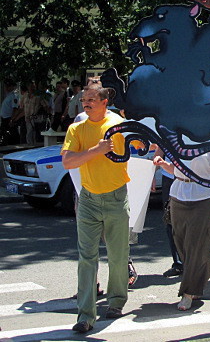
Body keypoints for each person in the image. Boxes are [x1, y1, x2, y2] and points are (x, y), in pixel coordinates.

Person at [62, 83, 131, 333]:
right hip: (88, 199)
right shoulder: (77, 128)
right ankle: (85, 315)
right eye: (83, 100)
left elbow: (141, 144)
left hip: (115, 197)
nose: (86, 103)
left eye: (91, 99)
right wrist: (97, 150)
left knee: (118, 255)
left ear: (104, 102)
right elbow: (68, 161)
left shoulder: (118, 125)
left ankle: (116, 302)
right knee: (87, 258)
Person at [153, 151, 210, 311]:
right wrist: (162, 164)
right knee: (181, 243)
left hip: (203, 198)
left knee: (196, 245)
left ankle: (188, 292)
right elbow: (176, 170)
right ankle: (199, 281)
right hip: (178, 195)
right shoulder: (178, 142)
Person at [152, 148, 183, 277]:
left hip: (190, 177)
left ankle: (193, 263)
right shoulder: (167, 129)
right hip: (169, 178)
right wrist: (152, 175)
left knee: (191, 221)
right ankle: (178, 263)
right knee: (170, 220)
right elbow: (159, 151)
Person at [21, 81, 49, 146]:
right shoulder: (25, 96)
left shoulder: (38, 96)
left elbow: (46, 106)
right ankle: (30, 145)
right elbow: (21, 107)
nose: (32, 88)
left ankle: (34, 146)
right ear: (28, 87)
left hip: (35, 118)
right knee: (29, 132)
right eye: (30, 86)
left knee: (34, 133)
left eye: (33, 86)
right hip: (27, 118)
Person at [0, 79, 20, 144]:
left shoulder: (13, 96)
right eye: (6, 86)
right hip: (4, 118)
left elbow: (15, 109)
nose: (6, 88)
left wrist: (12, 119)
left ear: (12, 87)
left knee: (12, 134)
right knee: (5, 133)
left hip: (9, 118)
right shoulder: (8, 96)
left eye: (8, 86)